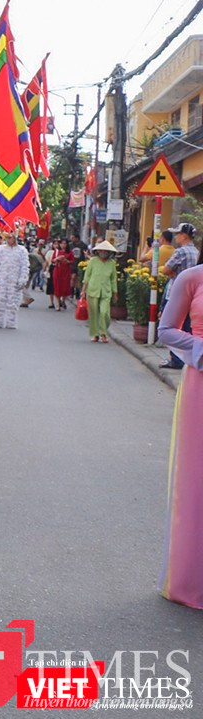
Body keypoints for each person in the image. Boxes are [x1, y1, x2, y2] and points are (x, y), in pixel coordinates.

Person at [157, 264, 203, 611]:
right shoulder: (192, 278)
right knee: (195, 483)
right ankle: (191, 580)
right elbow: (166, 330)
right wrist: (199, 346)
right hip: (200, 385)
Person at [163, 223, 199, 369]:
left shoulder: (180, 252)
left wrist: (173, 273)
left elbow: (166, 270)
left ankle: (176, 359)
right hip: (194, 296)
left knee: (173, 328)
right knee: (188, 327)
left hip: (177, 293)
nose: (176, 237)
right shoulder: (196, 252)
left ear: (184, 236)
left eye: (178, 234)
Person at [0, 230, 29, 329]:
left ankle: (11, 322)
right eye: (6, 238)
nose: (8, 240)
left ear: (15, 238)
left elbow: (24, 267)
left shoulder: (22, 251)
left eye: (10, 238)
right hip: (2, 280)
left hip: (15, 281)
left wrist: (23, 279)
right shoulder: (1, 250)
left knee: (13, 303)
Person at [84, 241, 118, 342]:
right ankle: (95, 334)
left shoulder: (112, 263)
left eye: (106, 251)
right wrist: (83, 290)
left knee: (104, 313)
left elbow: (113, 279)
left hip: (106, 291)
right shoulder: (93, 261)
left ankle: (103, 333)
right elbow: (87, 276)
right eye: (101, 250)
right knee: (94, 313)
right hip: (92, 290)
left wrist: (115, 293)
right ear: (98, 251)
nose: (103, 252)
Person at [51, 241, 77, 311]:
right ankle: (57, 305)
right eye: (61, 243)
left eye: (65, 243)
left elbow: (72, 261)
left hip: (66, 271)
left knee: (64, 287)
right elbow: (52, 261)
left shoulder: (70, 252)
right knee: (57, 287)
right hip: (58, 270)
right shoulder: (57, 252)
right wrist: (57, 259)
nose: (63, 245)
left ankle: (63, 300)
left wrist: (66, 260)